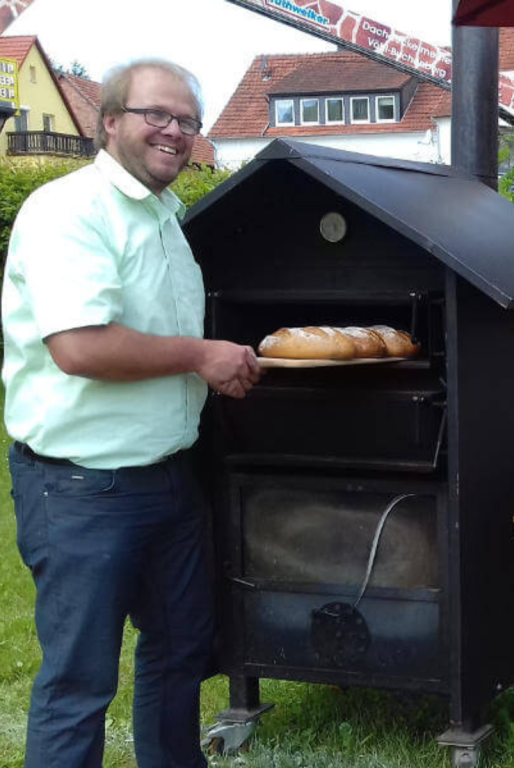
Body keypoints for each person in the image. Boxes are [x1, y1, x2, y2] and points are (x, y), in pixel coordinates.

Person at [1, 58, 260, 767]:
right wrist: (200, 357)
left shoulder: (164, 217)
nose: (174, 132)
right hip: (82, 486)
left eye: (187, 121)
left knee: (181, 655)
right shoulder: (67, 210)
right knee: (79, 680)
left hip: (168, 478)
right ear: (107, 121)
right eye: (157, 115)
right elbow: (80, 347)